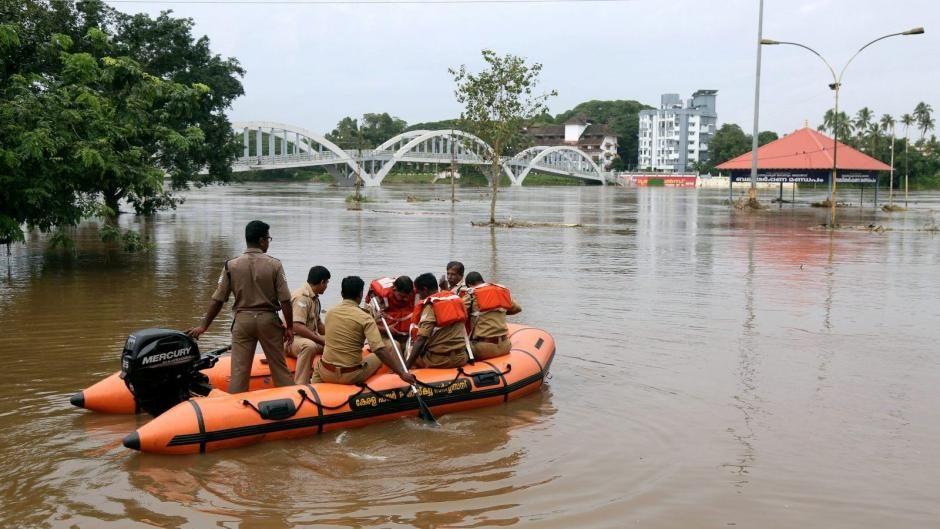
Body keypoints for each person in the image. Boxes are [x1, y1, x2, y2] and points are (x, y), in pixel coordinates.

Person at [187, 220, 294, 393]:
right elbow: (285, 300)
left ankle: (234, 410)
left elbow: (218, 299)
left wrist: (204, 326)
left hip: (242, 322)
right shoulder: (275, 265)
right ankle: (292, 403)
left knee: (239, 372)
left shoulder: (231, 265)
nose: (268, 242)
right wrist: (289, 327)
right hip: (268, 321)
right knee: (280, 369)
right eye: (268, 238)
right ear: (261, 241)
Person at [312, 276, 416, 385]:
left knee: (320, 364)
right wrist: (401, 373)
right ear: (360, 294)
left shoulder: (329, 313)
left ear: (342, 293)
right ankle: (393, 380)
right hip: (350, 375)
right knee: (384, 352)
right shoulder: (365, 318)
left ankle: (311, 388)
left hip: (326, 372)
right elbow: (379, 350)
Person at [408, 272, 469, 369]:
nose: (419, 296)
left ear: (425, 289)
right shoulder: (456, 299)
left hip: (439, 360)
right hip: (461, 357)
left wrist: (406, 367)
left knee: (409, 351)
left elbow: (421, 339)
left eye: (419, 292)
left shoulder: (431, 306)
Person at [463, 272, 521, 359]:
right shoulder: (500, 291)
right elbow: (517, 309)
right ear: (482, 281)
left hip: (484, 349)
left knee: (457, 351)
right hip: (505, 346)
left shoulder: (471, 295)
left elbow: (455, 315)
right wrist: (499, 311)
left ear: (469, 285)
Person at [287, 265, 330, 384]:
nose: (326, 286)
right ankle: (301, 384)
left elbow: (319, 325)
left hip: (306, 337)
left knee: (334, 342)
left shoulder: (314, 298)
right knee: (309, 346)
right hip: (291, 340)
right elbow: (297, 326)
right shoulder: (302, 297)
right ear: (322, 282)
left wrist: (335, 335)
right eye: (326, 283)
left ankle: (329, 375)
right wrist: (320, 340)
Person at [365, 276, 415, 356]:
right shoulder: (379, 298)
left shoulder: (415, 295)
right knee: (395, 346)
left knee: (412, 349)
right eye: (402, 296)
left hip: (406, 336)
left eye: (407, 296)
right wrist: (385, 329)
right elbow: (367, 325)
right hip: (385, 335)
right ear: (394, 289)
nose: (405, 299)